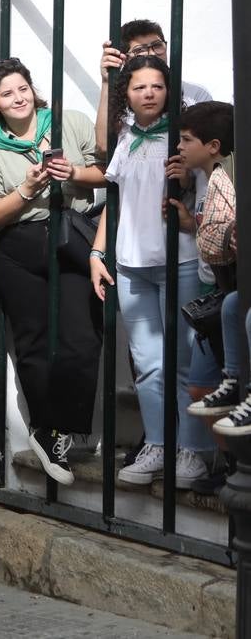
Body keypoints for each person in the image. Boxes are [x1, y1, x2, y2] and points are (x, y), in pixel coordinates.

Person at [0, 58, 106, 484]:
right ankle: (47, 430)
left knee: (82, 335)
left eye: (23, 88)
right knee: (34, 342)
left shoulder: (67, 123)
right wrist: (27, 189)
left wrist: (72, 173)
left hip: (71, 237)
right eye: (7, 94)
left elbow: (109, 172)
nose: (18, 98)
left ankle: (67, 423)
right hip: (19, 249)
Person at [90, 56, 214, 488]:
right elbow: (115, 197)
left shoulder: (185, 142)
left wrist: (187, 190)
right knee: (148, 365)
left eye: (157, 87)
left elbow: (211, 199)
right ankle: (158, 446)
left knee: (184, 362)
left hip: (177, 263)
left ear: (169, 92)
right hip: (131, 265)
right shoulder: (125, 137)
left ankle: (192, 451)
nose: (148, 93)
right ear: (127, 92)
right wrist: (97, 252)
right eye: (139, 86)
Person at [180, 103, 239, 418]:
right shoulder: (206, 176)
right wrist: (191, 223)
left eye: (187, 139)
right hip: (214, 286)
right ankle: (229, 463)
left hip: (226, 287)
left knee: (213, 385)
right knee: (203, 387)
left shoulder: (224, 177)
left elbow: (216, 244)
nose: (179, 146)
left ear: (213, 146)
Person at [94, 19, 213, 153]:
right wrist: (106, 82)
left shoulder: (195, 94)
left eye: (157, 45)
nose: (152, 53)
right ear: (124, 59)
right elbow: (104, 146)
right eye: (139, 50)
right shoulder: (123, 95)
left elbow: (208, 147)